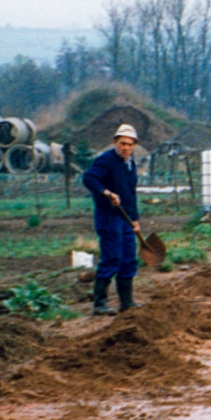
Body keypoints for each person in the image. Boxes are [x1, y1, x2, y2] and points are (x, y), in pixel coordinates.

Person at [81, 123, 143, 316]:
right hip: (108, 217)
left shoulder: (130, 164)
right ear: (115, 142)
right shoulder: (106, 160)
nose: (126, 147)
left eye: (130, 144)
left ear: (134, 146)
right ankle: (99, 304)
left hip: (125, 217)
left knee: (129, 259)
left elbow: (131, 194)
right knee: (112, 258)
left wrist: (135, 219)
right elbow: (89, 178)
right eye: (122, 143)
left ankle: (127, 302)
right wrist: (106, 192)